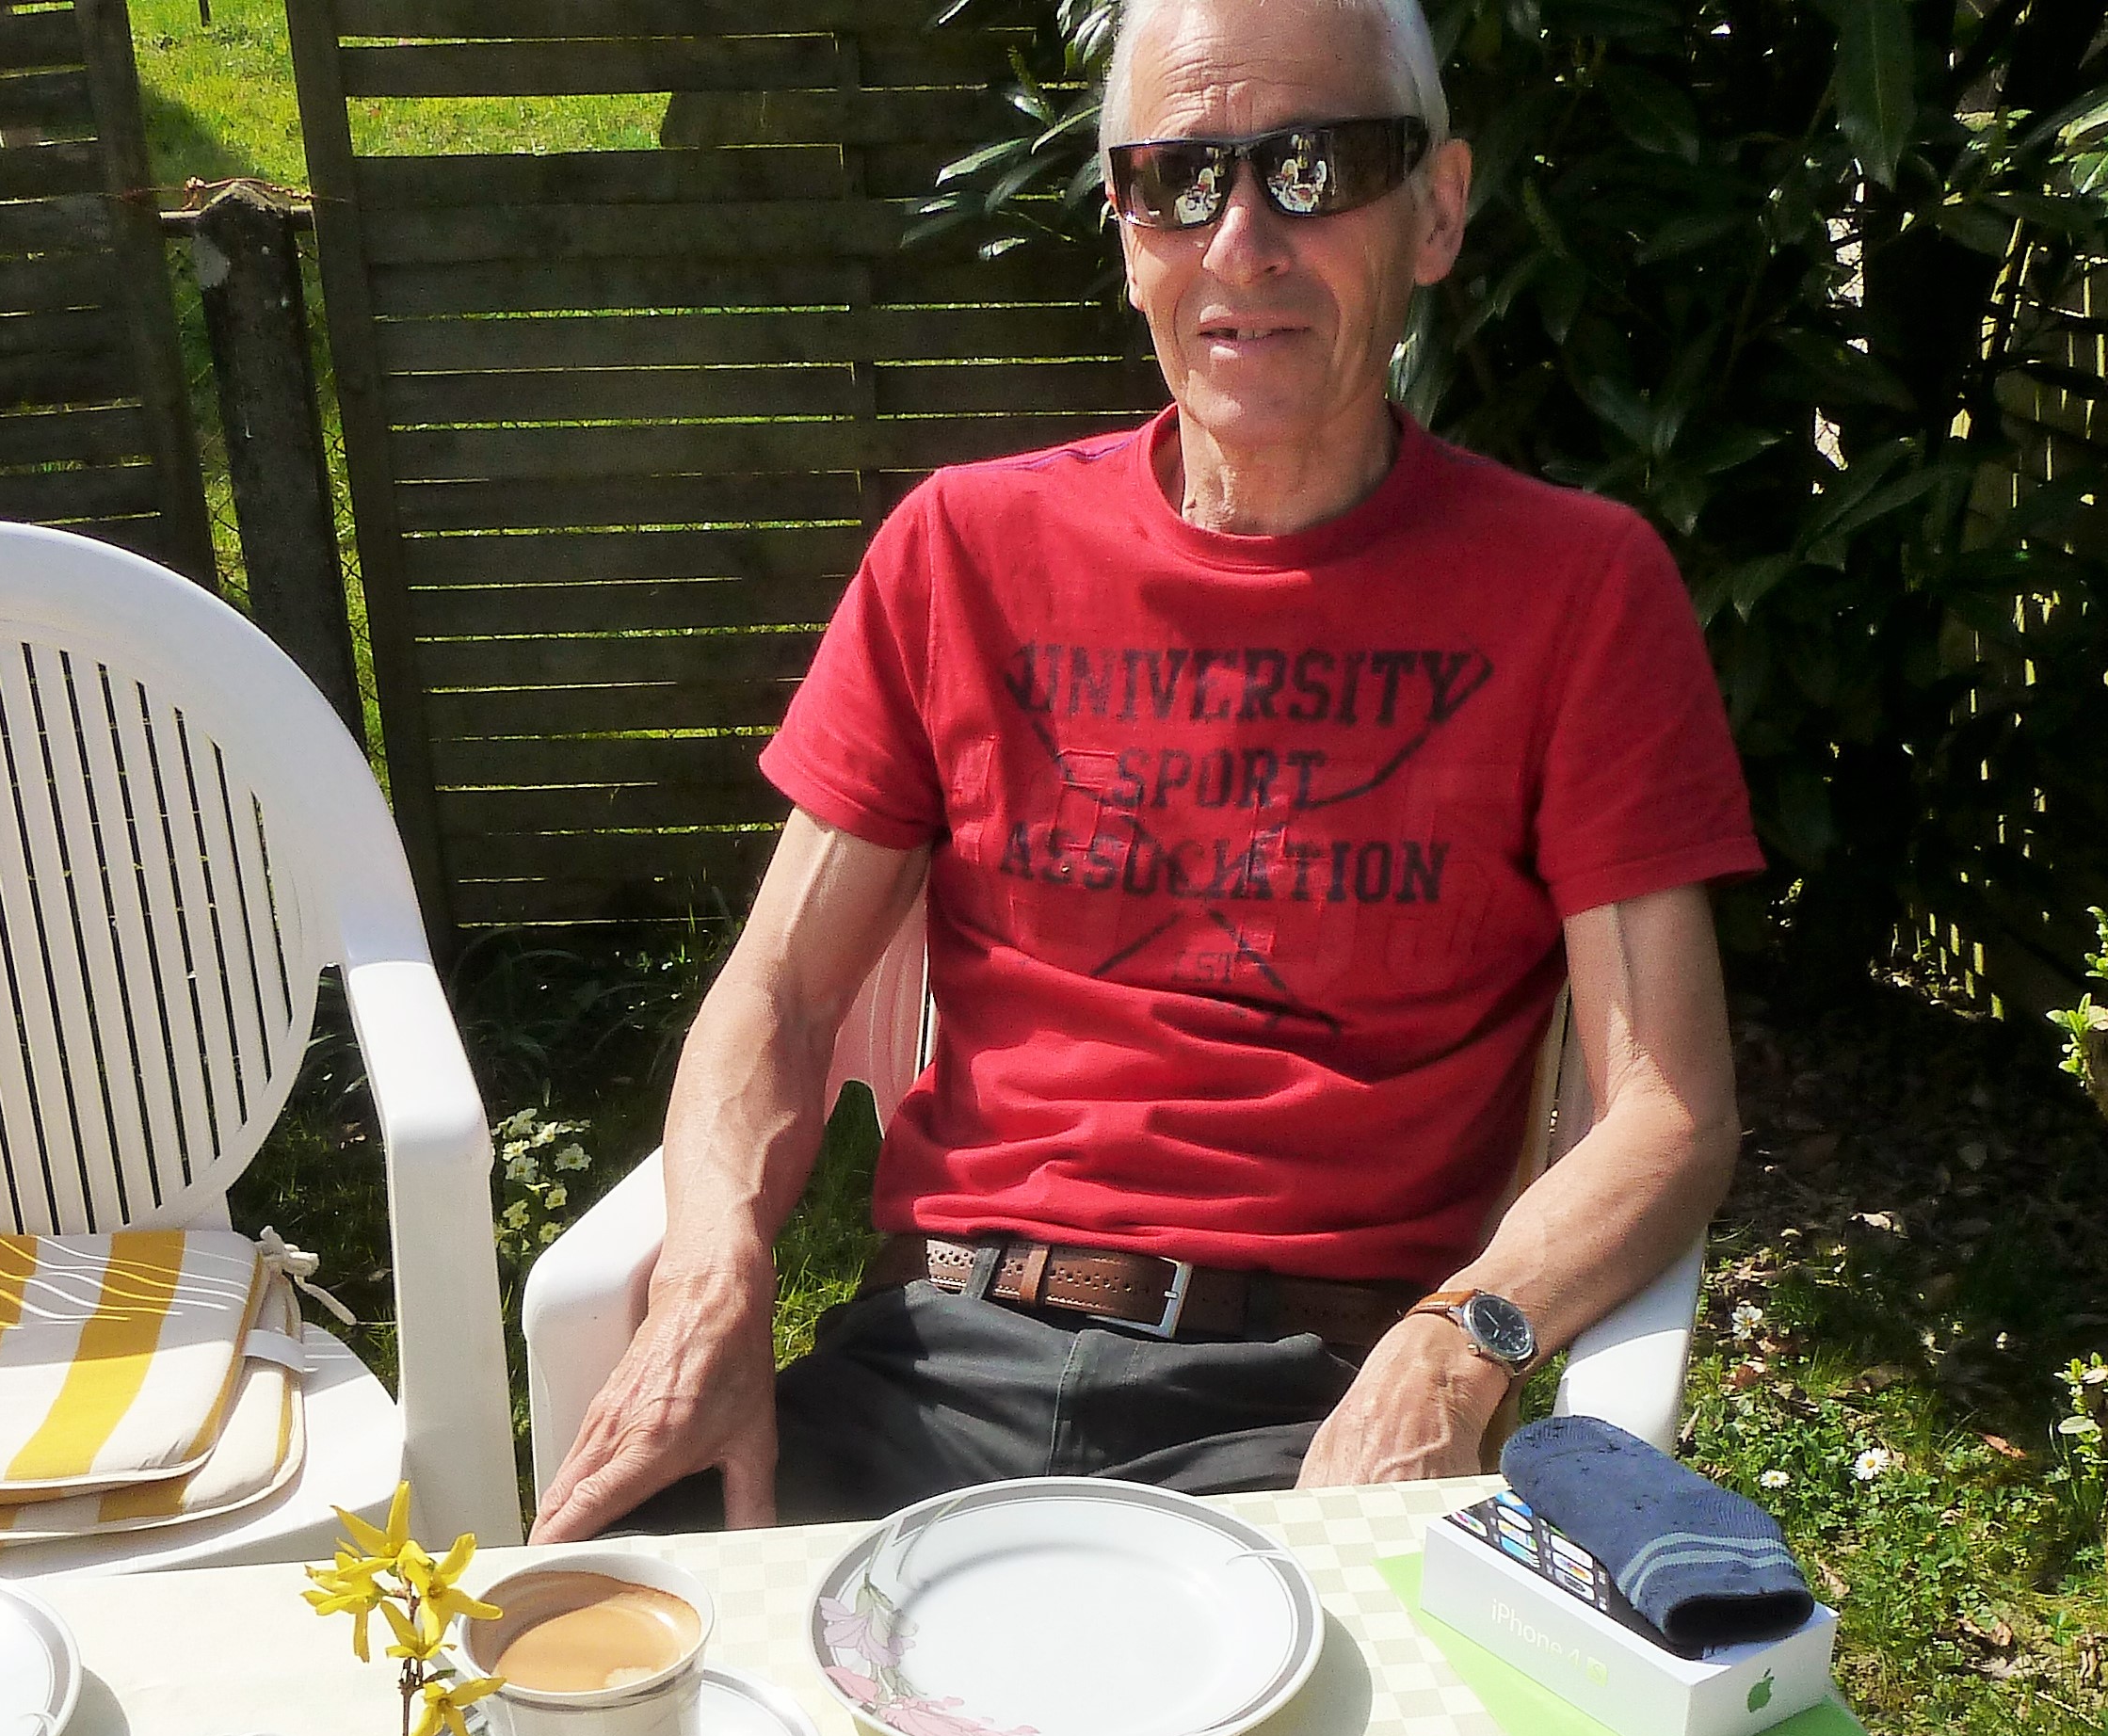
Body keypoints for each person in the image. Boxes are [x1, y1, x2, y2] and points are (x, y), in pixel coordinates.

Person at [531, 0, 1758, 1541]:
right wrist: (711, 1276)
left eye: (1315, 168)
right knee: (581, 1671)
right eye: (1177, 180)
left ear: (1438, 211)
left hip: (1310, 1393)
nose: (1241, 241)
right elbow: (775, 996)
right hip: (933, 1356)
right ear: (1124, 234)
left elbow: (1666, 1109)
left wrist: (1459, 1348)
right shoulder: (961, 551)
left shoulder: (1576, 591)